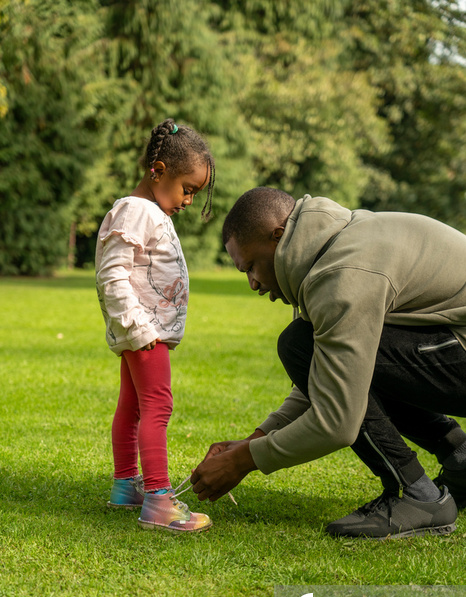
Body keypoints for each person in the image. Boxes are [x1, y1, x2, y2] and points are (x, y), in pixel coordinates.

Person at [190, 186, 466, 539]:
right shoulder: (331, 245)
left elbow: (337, 421)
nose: (253, 283)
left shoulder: (342, 275)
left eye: (252, 267)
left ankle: (419, 497)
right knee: (302, 345)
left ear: (277, 236)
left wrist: (244, 461)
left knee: (297, 345)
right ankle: (461, 458)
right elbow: (326, 373)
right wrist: (252, 440)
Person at [96, 118, 215, 533]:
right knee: (158, 407)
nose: (188, 200)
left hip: (144, 330)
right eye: (188, 189)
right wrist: (138, 327)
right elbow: (112, 274)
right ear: (159, 170)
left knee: (132, 406)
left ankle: (127, 486)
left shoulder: (148, 211)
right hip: (144, 332)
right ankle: (160, 500)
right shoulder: (136, 210)